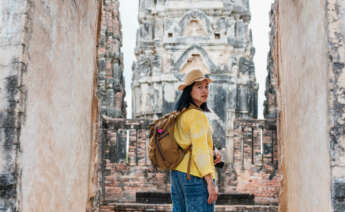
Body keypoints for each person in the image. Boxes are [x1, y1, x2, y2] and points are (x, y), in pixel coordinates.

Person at [170, 69, 222, 212]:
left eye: (206, 87)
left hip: (177, 175)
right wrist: (210, 182)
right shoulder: (197, 116)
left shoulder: (180, 114)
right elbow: (199, 150)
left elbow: (188, 143)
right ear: (189, 91)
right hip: (194, 175)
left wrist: (213, 150)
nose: (204, 91)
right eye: (199, 87)